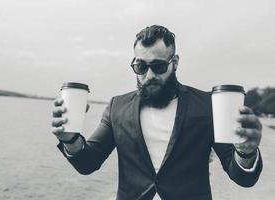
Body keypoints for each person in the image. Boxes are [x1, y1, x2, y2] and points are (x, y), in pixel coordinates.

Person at [51, 25, 263, 200]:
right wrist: (71, 140)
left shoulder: (207, 105)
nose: (150, 74)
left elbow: (242, 177)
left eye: (159, 66)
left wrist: (246, 151)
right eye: (141, 67)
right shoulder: (117, 106)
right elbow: (88, 163)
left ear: (175, 62)